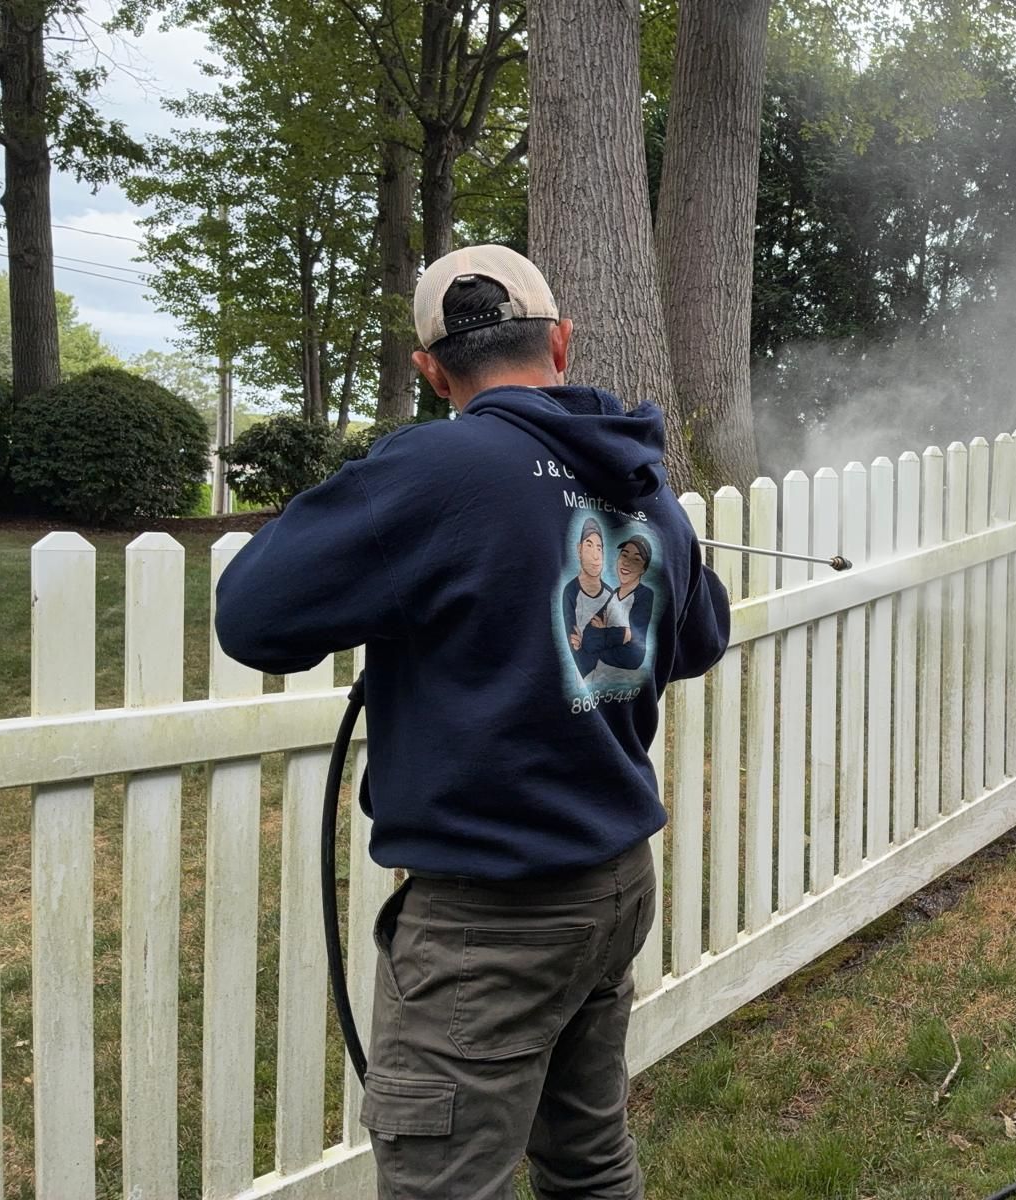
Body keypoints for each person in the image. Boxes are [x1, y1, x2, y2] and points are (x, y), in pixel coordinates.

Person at [213, 244, 730, 1200]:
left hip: (487, 921)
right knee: (590, 1163)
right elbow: (697, 639)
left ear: (432, 369)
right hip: (611, 883)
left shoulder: (433, 469)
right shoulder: (644, 482)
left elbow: (250, 616)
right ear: (562, 344)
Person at [581, 534, 655, 692]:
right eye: (624, 555)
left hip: (622, 681)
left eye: (636, 559)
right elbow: (587, 636)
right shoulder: (613, 594)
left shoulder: (645, 595)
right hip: (598, 678)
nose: (627, 562)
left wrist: (602, 634)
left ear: (643, 568)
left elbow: (633, 655)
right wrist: (621, 634)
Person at [564, 517, 614, 678]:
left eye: (599, 548)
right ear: (579, 550)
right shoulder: (570, 593)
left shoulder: (610, 596)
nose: (595, 556)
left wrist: (586, 643)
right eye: (589, 545)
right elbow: (573, 649)